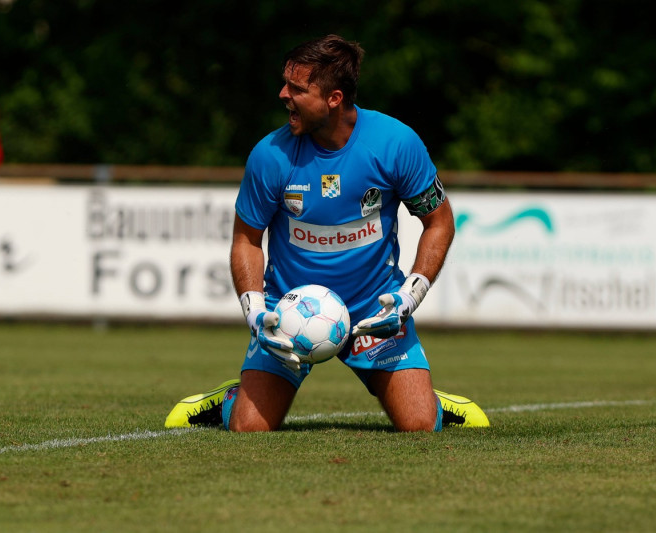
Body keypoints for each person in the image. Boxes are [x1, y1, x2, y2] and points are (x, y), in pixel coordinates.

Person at [166, 35, 489, 432]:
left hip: (375, 310)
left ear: (334, 98)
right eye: (285, 83)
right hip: (288, 312)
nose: (283, 94)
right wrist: (254, 309)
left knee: (420, 425)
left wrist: (409, 297)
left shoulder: (395, 143)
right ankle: (231, 399)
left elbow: (439, 222)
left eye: (297, 88)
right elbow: (245, 240)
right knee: (249, 428)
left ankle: (432, 401)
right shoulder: (270, 155)